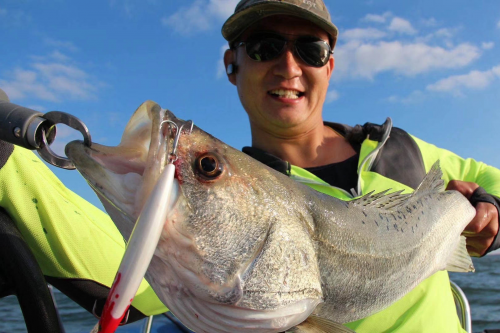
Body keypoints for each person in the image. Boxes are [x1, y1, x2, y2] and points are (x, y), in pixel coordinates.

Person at [221, 0, 500, 332]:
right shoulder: (229, 198)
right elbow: (149, 278)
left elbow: (489, 179)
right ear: (231, 65)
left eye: (311, 50)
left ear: (329, 67)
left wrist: (490, 211)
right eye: (264, 47)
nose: (289, 67)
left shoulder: (398, 147)